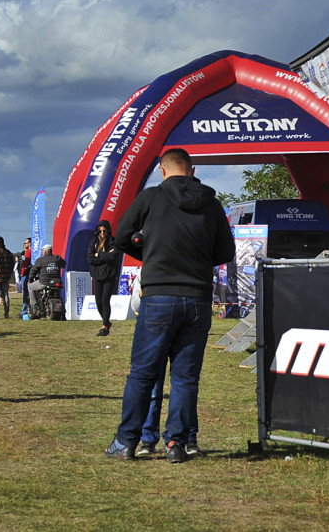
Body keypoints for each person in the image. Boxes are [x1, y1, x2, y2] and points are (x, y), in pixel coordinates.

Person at [105, 148, 235, 463]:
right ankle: (177, 443)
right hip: (197, 299)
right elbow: (225, 252)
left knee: (143, 374)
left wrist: (146, 249)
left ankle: (126, 442)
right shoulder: (212, 204)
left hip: (159, 296)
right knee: (186, 377)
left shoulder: (150, 198)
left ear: (163, 171)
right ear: (191, 170)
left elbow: (120, 236)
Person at [87, 219, 122, 337]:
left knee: (105, 300)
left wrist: (99, 255)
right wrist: (104, 257)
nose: (102, 233)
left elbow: (113, 257)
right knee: (98, 302)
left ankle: (104, 327)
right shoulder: (94, 243)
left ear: (108, 231)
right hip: (97, 276)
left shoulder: (113, 243)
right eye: (100, 231)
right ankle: (107, 321)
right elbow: (90, 259)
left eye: (104, 231)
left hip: (109, 276)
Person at [28, 245, 65, 319]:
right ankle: (63, 313)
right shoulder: (57, 258)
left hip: (44, 282)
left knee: (30, 287)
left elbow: (33, 270)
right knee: (58, 294)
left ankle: (34, 306)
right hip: (56, 282)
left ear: (44, 251)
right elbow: (64, 264)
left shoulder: (40, 260)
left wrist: (30, 279)